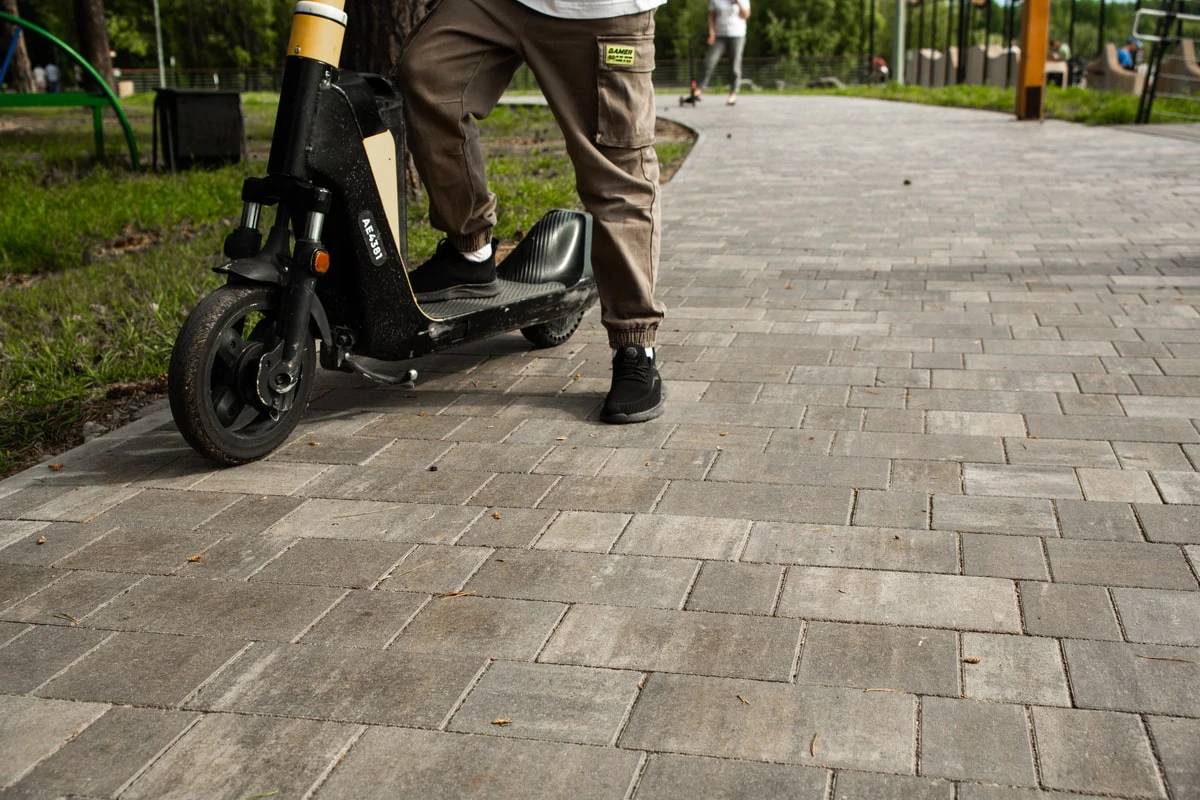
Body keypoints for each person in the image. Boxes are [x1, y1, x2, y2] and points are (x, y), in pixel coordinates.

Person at [396, 0, 668, 425]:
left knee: (616, 172)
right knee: (427, 73)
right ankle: (469, 253)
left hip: (599, 11)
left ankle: (635, 344)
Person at [696, 0, 751, 105]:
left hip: (737, 34)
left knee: (734, 65)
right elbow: (711, 16)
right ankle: (699, 88)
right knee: (709, 61)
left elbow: (746, 15)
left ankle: (733, 93)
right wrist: (711, 32)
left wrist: (738, 2)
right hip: (719, 35)